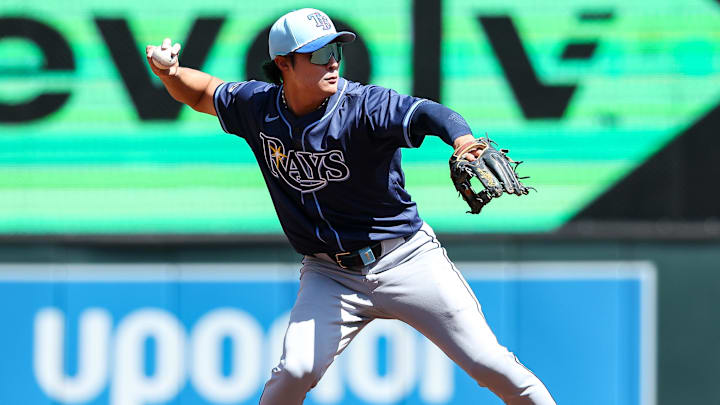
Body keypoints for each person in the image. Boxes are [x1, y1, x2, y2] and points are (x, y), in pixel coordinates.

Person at [146, 8, 556, 405]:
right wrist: (171, 73)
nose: (333, 63)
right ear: (284, 64)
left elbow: (430, 113)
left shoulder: (365, 105)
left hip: (406, 259)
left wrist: (463, 140)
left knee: (491, 365)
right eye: (320, 54)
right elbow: (203, 92)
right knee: (294, 371)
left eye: (336, 51)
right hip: (330, 274)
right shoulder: (259, 107)